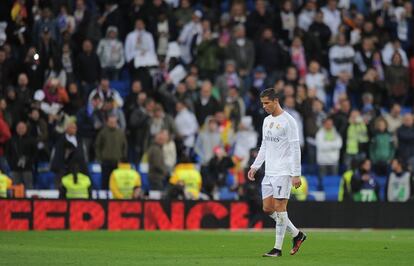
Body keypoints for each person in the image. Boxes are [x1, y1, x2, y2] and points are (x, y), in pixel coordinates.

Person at [247, 88, 306, 257]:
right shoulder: (266, 121)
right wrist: (255, 166)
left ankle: (277, 249)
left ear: (276, 101)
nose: (264, 106)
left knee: (280, 208)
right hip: (269, 171)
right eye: (262, 103)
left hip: (284, 171)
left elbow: (296, 148)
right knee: (267, 208)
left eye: (267, 103)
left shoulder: (289, 121)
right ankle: (297, 234)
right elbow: (265, 145)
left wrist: (296, 174)